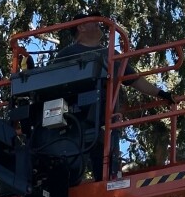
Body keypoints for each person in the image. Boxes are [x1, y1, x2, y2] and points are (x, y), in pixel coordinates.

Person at [54, 16, 173, 180]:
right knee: (70, 163)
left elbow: (134, 79)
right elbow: (50, 86)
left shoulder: (110, 54)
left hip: (102, 120)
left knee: (104, 159)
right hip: (72, 118)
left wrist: (161, 93)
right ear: (81, 27)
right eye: (93, 21)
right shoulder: (66, 55)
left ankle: (105, 180)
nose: (99, 24)